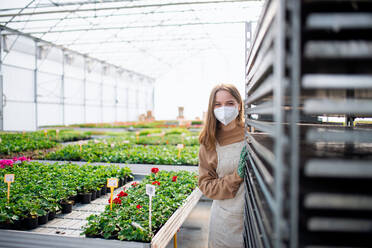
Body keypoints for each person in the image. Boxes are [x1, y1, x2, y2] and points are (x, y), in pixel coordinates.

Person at [198, 84, 247, 248]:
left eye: (230, 103)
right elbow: (205, 185)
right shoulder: (209, 142)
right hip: (226, 222)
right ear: (212, 108)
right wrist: (236, 177)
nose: (223, 108)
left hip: (257, 218)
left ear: (239, 105)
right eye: (218, 105)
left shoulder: (253, 132)